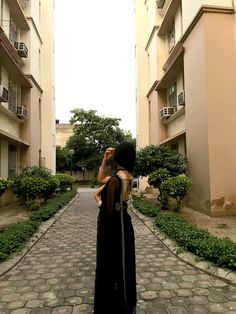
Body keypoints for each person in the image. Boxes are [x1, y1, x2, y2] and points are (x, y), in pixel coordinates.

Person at [93, 142, 137, 314]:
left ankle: (113, 306)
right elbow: (101, 179)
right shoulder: (128, 176)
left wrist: (99, 203)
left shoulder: (115, 180)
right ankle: (126, 302)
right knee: (124, 265)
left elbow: (108, 210)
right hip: (125, 225)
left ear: (117, 157)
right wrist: (104, 161)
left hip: (113, 230)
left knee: (111, 266)